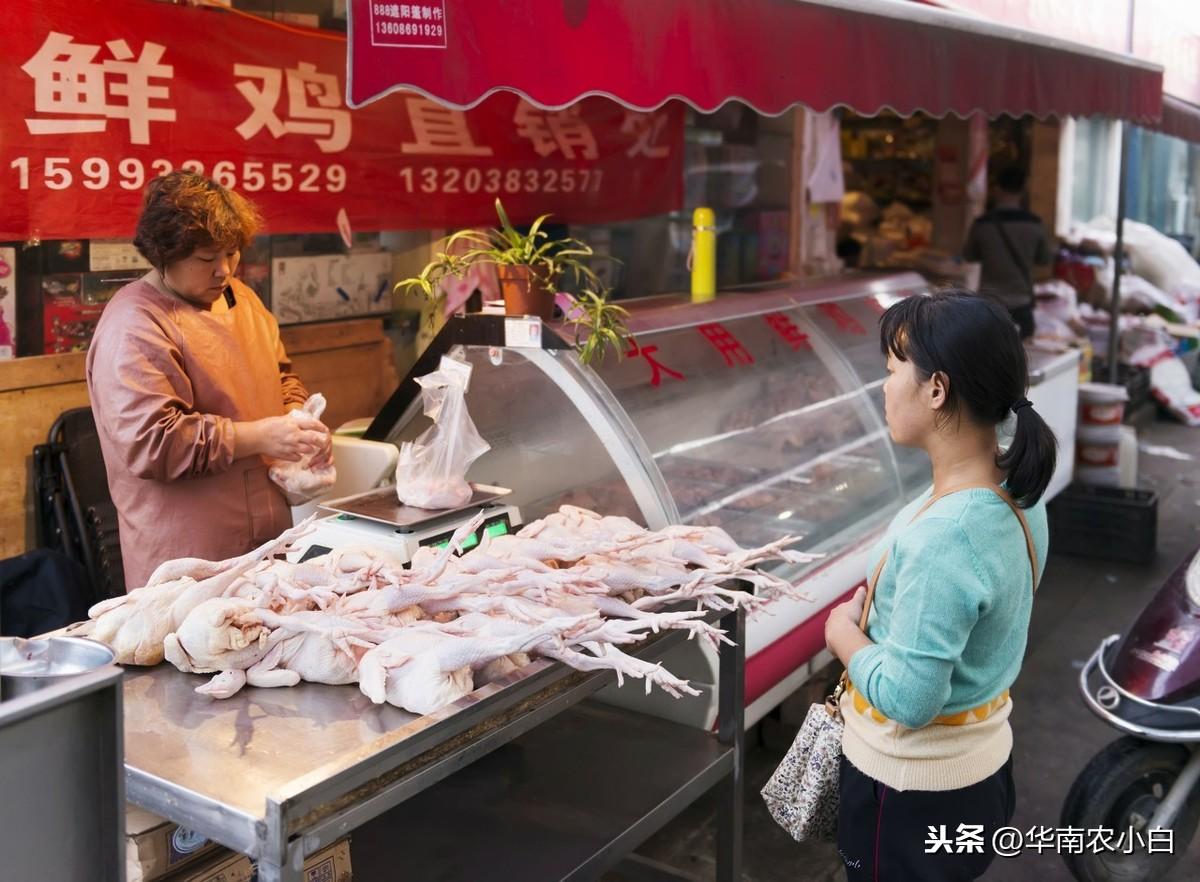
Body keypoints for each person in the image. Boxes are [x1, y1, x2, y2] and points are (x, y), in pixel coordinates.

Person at [824, 289, 1056, 881]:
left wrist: (842, 635)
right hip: (979, 771)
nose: (883, 387)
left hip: (909, 795)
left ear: (936, 390)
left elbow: (911, 699)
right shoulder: (1016, 493)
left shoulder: (946, 536)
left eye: (891, 370)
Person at [86, 171, 331, 589]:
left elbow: (280, 375)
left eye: (232, 254)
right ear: (163, 253)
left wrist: (297, 419)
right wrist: (261, 436)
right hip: (185, 555)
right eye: (205, 258)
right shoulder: (135, 324)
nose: (224, 270)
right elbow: (154, 442)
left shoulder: (242, 298)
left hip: (268, 539)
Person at [962, 165, 1054, 340]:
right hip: (1022, 304)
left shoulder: (982, 225)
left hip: (990, 305)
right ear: (1024, 189)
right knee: (1022, 353)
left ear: (997, 189)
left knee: (988, 353)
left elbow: (969, 255)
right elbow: (1044, 260)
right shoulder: (1035, 224)